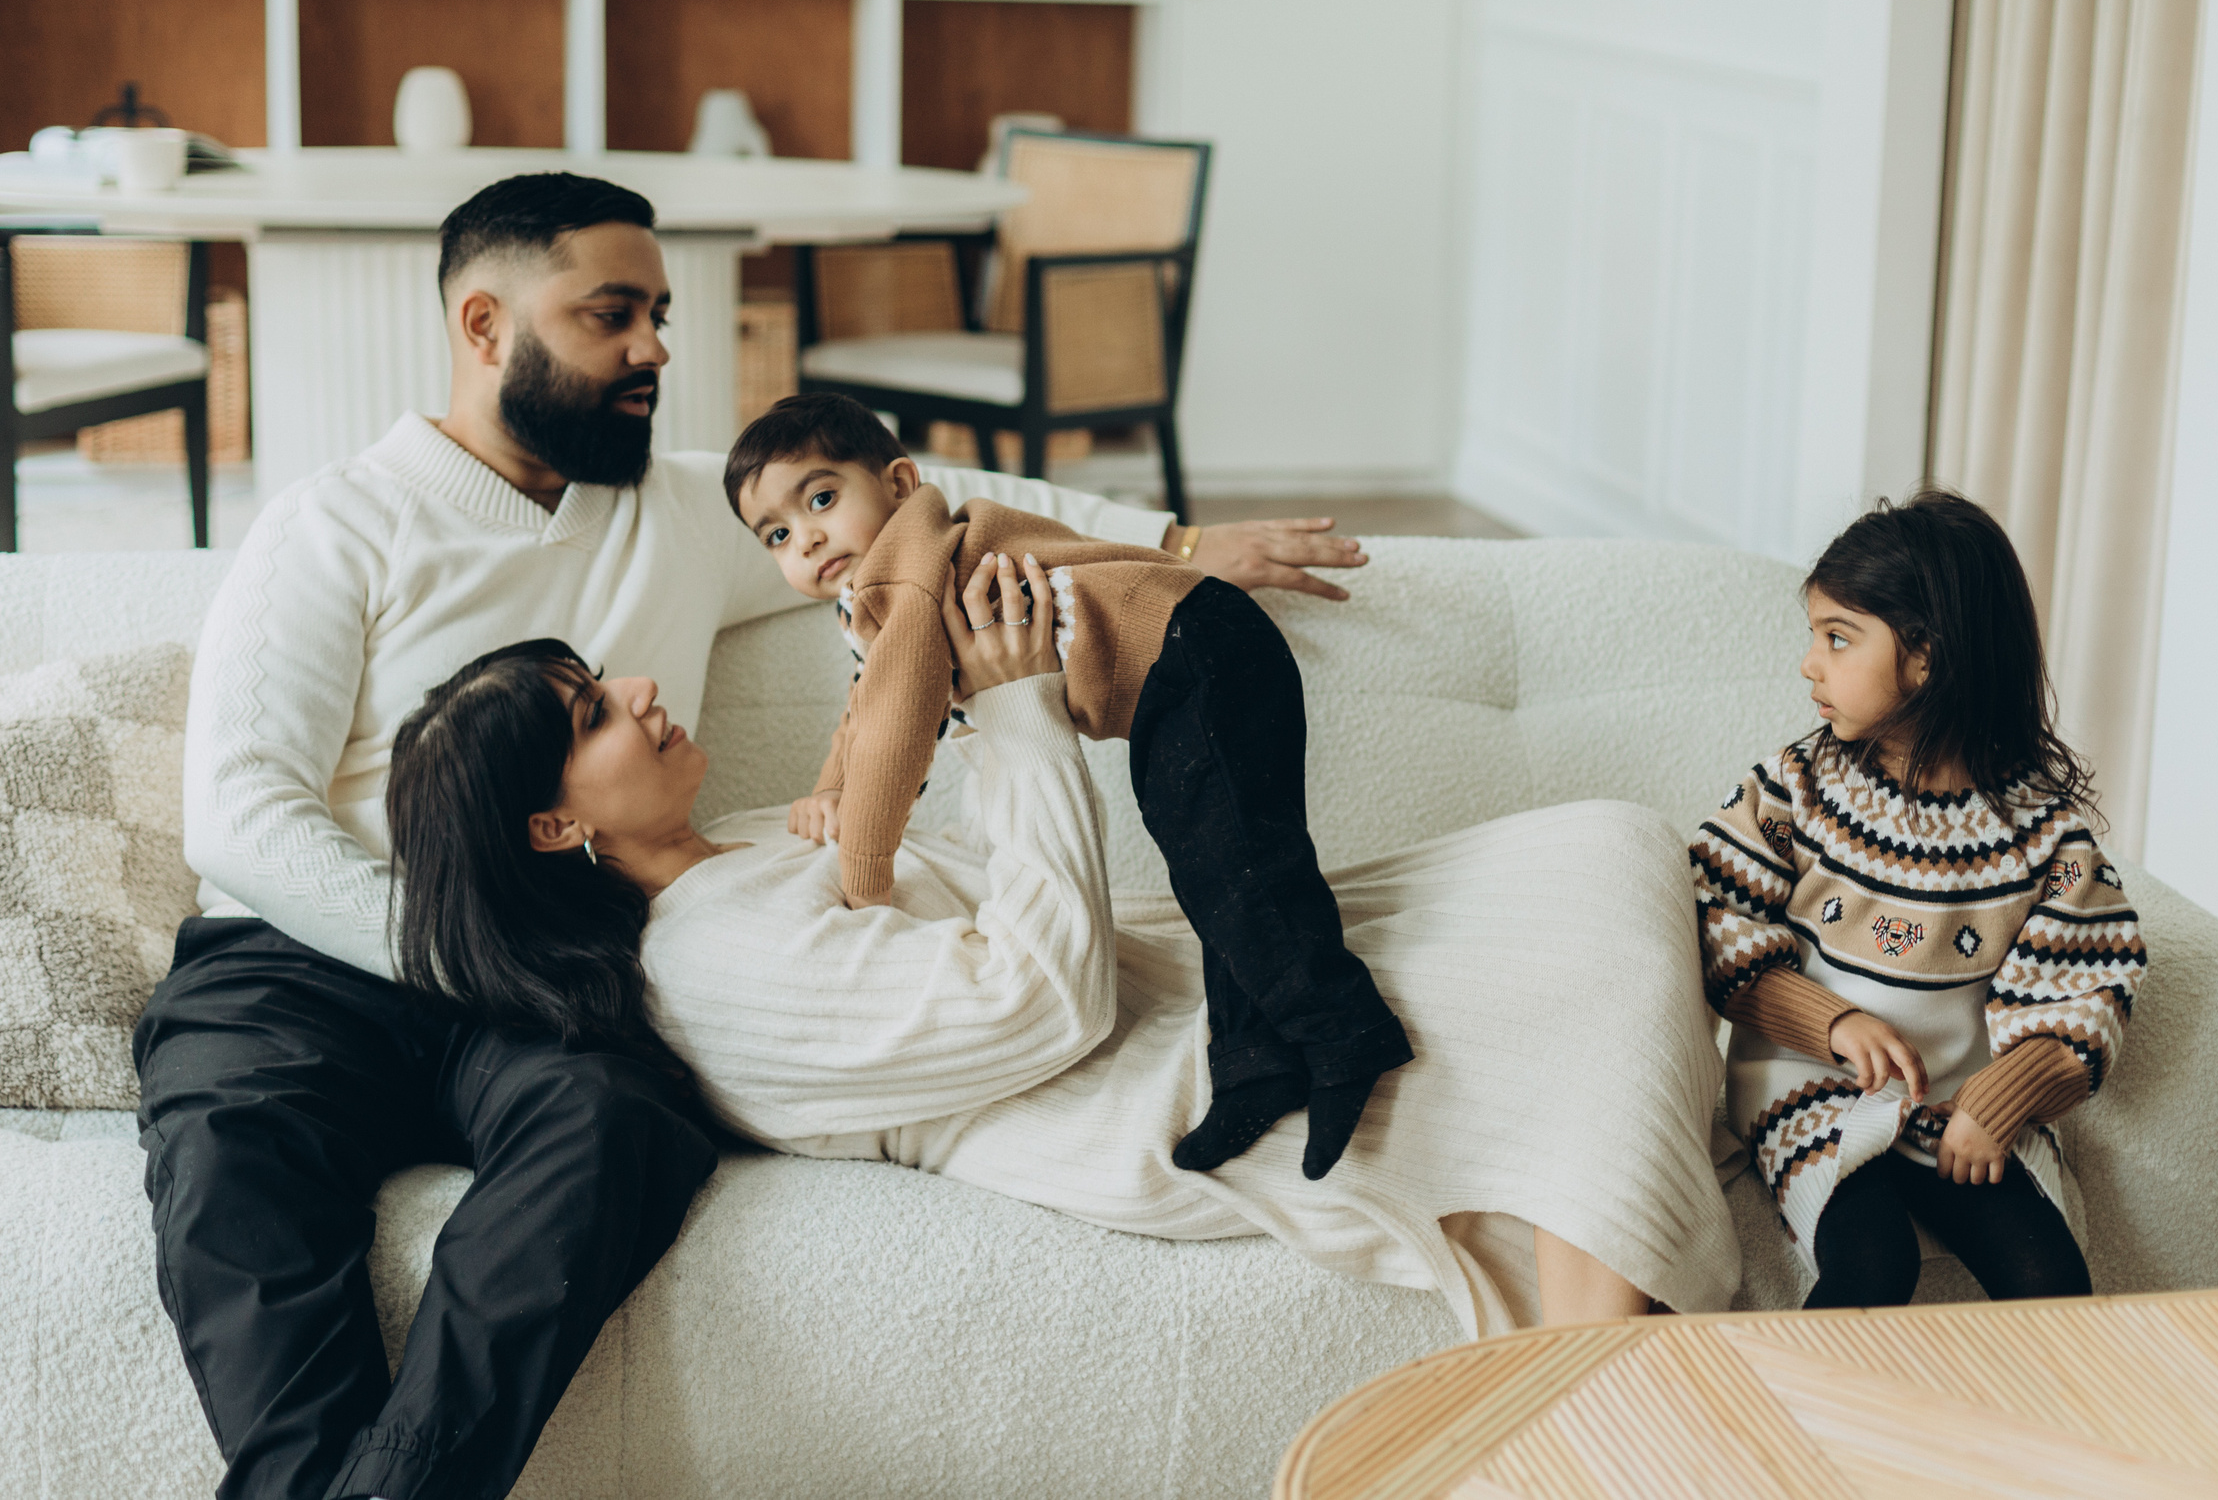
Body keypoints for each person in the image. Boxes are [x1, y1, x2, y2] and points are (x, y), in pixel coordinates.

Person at [141, 169, 1373, 1500]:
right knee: (235, 1176)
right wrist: (470, 947)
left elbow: (919, 503)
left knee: (616, 1127)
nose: (657, 348)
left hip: (549, 971)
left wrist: (1170, 537)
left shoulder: (679, 511)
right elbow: (241, 814)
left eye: (659, 313)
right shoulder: (333, 522)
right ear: (485, 326)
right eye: (612, 313)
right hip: (300, 967)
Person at [381, 557, 1742, 1341]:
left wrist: (944, 690)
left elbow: (967, 868)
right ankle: (1590, 1374)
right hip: (1122, 1080)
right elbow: (1037, 999)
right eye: (592, 714)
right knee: (1574, 986)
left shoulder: (736, 842)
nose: (637, 690)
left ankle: (1598, 1346)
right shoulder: (705, 969)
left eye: (600, 679)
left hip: (1160, 981)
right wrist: (1024, 713)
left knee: (1607, 852)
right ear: (555, 825)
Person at [724, 393, 1410, 1180]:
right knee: (1214, 871)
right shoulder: (887, 587)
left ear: (900, 483)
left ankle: (1342, 1032)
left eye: (820, 499)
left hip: (1196, 650)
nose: (807, 537)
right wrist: (830, 788)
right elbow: (866, 702)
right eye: (777, 534)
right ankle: (1255, 1062)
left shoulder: (905, 578)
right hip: (1189, 662)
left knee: (1240, 866)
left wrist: (865, 873)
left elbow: (895, 727)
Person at [1688, 489, 2147, 1309]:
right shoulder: (1797, 788)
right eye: (1815, 636)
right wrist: (1831, 1022)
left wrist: (1999, 1102)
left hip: (1954, 1099)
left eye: (1837, 638)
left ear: (1926, 656)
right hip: (1811, 1086)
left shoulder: (2041, 832)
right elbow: (1721, 917)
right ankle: (1793, 1394)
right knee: (1874, 1263)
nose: (1809, 663)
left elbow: (2089, 989)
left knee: (2050, 1276)